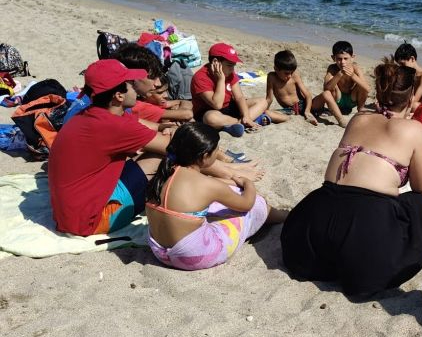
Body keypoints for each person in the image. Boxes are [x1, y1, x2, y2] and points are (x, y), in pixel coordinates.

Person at [281, 58, 422, 297]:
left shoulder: (358, 119)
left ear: (379, 92)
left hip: (314, 221)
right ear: (410, 100)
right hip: (365, 224)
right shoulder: (413, 129)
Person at [48, 59, 166, 236]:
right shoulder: (113, 125)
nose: (136, 90)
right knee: (162, 156)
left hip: (71, 213)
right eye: (131, 85)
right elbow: (178, 148)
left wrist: (167, 129)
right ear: (119, 95)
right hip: (90, 221)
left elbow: (147, 129)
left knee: (145, 151)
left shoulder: (94, 114)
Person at [145, 123, 287, 270]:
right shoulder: (208, 185)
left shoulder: (163, 174)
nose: (218, 151)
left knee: (215, 202)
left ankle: (280, 215)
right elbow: (247, 204)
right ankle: (284, 216)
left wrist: (229, 182)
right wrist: (248, 184)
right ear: (205, 156)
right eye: (216, 149)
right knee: (257, 203)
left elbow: (203, 187)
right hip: (191, 256)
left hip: (159, 252)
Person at [190, 42, 270, 137]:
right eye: (229, 65)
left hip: (229, 107)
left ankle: (241, 122)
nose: (232, 69)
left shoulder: (230, 73)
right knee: (212, 118)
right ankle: (240, 122)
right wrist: (221, 80)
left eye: (233, 66)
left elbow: (239, 97)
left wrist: (246, 115)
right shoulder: (200, 77)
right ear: (216, 62)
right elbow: (217, 105)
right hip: (209, 111)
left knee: (262, 102)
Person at [312, 41, 370, 127]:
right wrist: (339, 74)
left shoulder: (355, 68)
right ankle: (341, 120)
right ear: (333, 58)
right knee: (327, 91)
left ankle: (361, 109)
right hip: (337, 99)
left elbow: (367, 89)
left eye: (346, 58)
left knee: (361, 86)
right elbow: (326, 89)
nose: (342, 62)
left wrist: (353, 76)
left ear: (353, 57)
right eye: (339, 59)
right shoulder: (332, 68)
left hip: (351, 100)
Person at [265, 50, 317, 125]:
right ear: (276, 69)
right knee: (266, 112)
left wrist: (307, 111)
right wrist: (266, 110)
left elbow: (308, 95)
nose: (289, 76)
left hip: (304, 104)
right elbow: (269, 98)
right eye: (286, 73)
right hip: (290, 110)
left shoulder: (294, 76)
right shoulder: (271, 77)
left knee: (324, 95)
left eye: (291, 72)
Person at [394, 41, 422, 110]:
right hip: (409, 100)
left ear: (412, 59)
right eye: (399, 65)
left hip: (420, 103)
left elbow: (415, 99)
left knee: (414, 106)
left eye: (403, 64)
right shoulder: (406, 72)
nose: (401, 68)